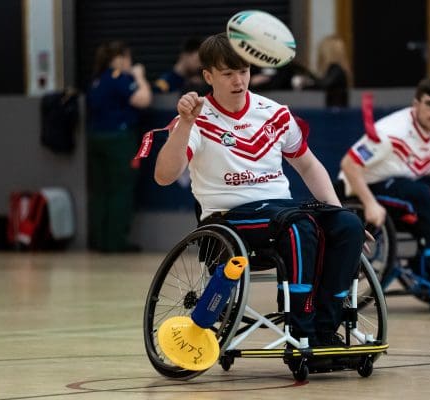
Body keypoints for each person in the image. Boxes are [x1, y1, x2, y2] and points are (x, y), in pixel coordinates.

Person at [153, 33, 365, 346]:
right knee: (299, 226)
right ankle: (302, 329)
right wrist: (184, 124)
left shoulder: (275, 112)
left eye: (244, 71)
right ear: (208, 76)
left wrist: (336, 208)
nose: (238, 81)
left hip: (280, 210)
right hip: (228, 219)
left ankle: (325, 326)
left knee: (347, 224)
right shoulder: (197, 119)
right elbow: (164, 176)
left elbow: (307, 166)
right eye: (228, 74)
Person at [338, 78, 430, 289]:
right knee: (421, 194)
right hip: (362, 186)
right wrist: (370, 204)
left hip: (403, 182)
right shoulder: (389, 133)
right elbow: (348, 165)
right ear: (416, 104)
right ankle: (429, 268)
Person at [86, 40, 152, 252]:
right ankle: (115, 243)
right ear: (121, 58)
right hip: (118, 140)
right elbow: (143, 99)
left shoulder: (96, 80)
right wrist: (140, 77)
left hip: (96, 138)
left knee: (101, 192)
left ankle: (100, 241)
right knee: (120, 191)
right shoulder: (119, 78)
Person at [292, 35, 352, 107]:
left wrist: (306, 73)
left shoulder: (336, 69)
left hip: (337, 113)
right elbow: (322, 84)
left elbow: (324, 84)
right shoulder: (338, 69)